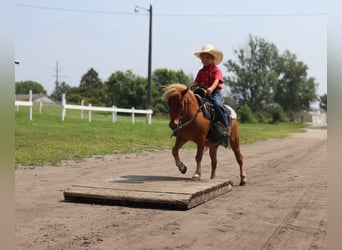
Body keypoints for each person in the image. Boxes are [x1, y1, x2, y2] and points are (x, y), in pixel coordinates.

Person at [191, 44, 230, 148]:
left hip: (213, 93)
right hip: (201, 93)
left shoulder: (216, 70)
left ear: (213, 59)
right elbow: (195, 82)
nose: (205, 60)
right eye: (203, 58)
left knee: (218, 105)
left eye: (207, 58)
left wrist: (211, 89)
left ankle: (226, 129)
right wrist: (190, 88)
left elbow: (217, 80)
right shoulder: (201, 71)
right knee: (190, 104)